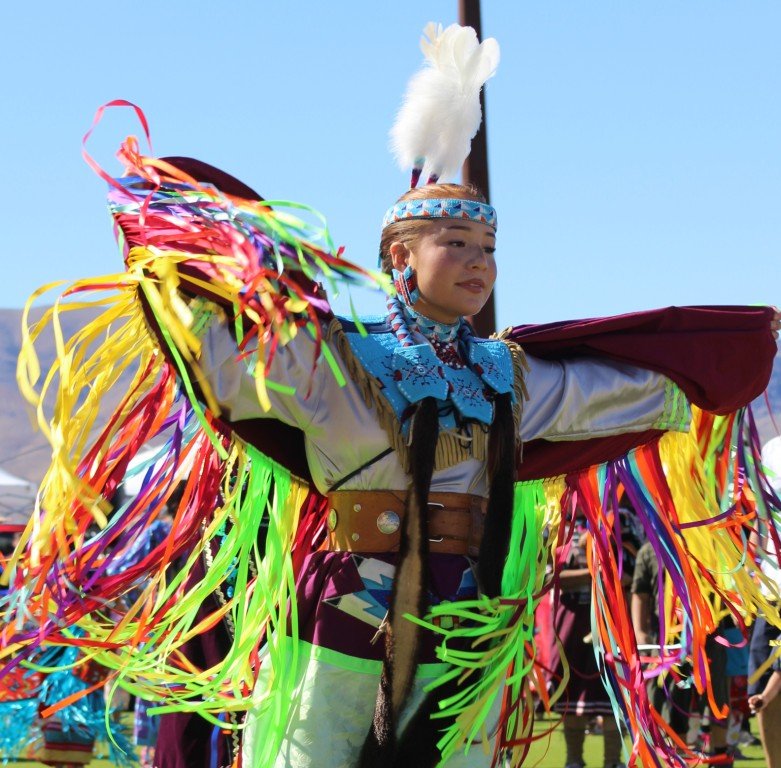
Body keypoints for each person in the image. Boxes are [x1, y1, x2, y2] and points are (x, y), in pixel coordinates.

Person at [3, 22, 781, 768]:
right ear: (399, 257)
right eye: (456, 244)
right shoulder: (341, 361)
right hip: (347, 612)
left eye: (489, 249)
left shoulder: (505, 374)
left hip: (466, 619)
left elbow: (605, 394)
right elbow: (233, 363)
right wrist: (181, 277)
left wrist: (704, 373)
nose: (478, 263)